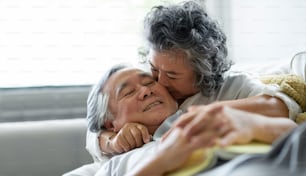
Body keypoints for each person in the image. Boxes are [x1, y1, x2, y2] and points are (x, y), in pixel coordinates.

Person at [87, 0, 301, 161]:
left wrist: (215, 115)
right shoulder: (147, 86)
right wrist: (110, 141)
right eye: (153, 69)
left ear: (202, 73)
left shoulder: (233, 86)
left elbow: (283, 106)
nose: (157, 81)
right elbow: (96, 125)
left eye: (172, 75)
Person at [73, 64, 296, 176]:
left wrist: (252, 125)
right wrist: (164, 160)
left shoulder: (211, 113)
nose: (145, 91)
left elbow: (293, 134)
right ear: (110, 123)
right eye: (128, 92)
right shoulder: (118, 165)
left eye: (149, 82)